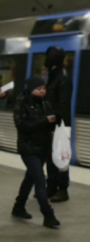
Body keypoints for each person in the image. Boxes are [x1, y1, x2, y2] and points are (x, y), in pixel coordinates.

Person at [12, 76, 60, 229]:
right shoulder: (22, 103)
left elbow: (49, 122)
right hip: (28, 148)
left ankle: (18, 207)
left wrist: (53, 127)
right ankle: (48, 215)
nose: (42, 91)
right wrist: (44, 121)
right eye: (38, 89)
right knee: (40, 179)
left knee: (30, 178)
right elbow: (21, 125)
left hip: (43, 148)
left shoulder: (45, 103)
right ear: (31, 89)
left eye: (43, 88)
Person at [44, 46, 73, 202]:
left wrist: (57, 126)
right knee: (51, 158)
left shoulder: (62, 78)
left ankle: (63, 189)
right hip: (52, 124)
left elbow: (62, 104)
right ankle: (51, 187)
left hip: (60, 125)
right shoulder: (54, 76)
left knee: (61, 157)